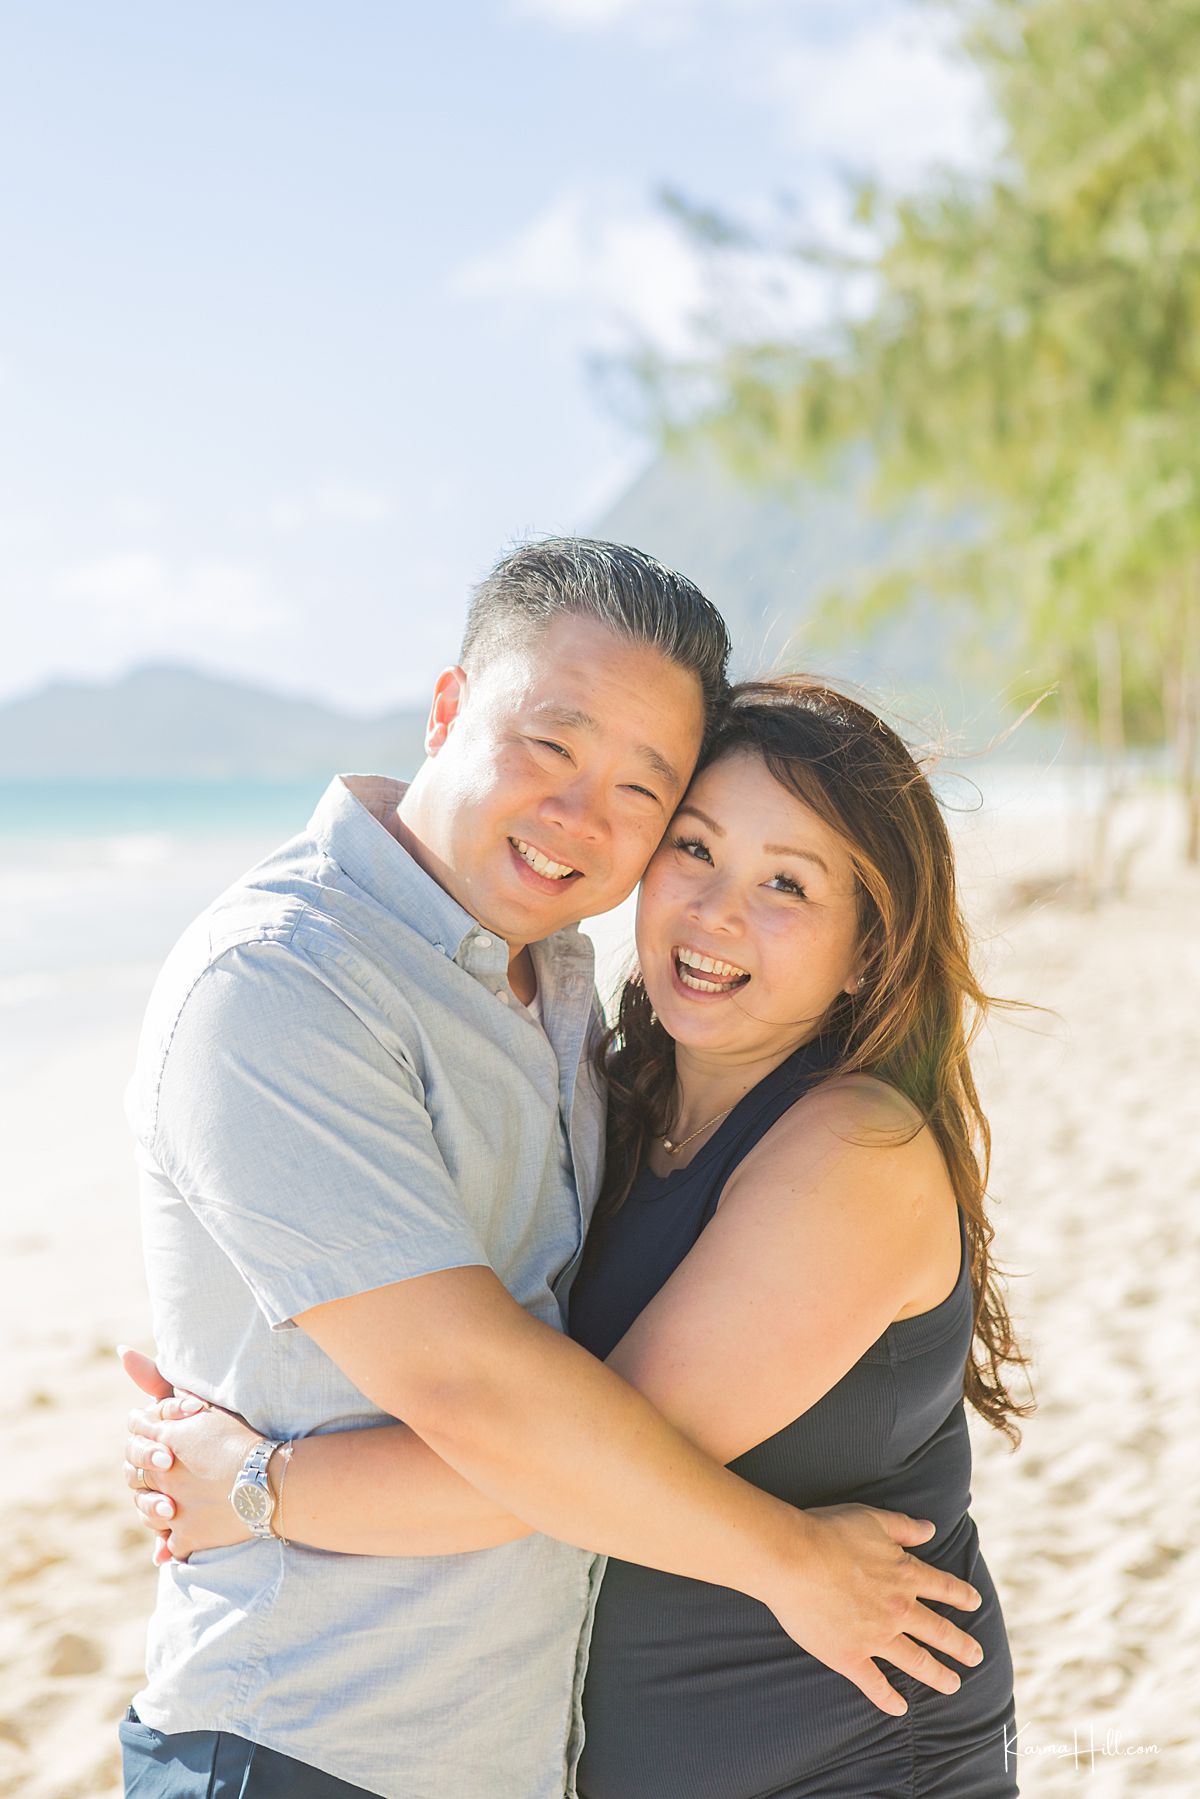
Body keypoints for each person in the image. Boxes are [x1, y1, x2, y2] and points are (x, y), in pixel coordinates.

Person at [124, 670, 1019, 1797]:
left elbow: (563, 1464)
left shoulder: (852, 1154)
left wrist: (257, 1483)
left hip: (852, 1757)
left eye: (786, 882)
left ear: (865, 949)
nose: (717, 910)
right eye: (694, 849)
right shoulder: (613, 1096)